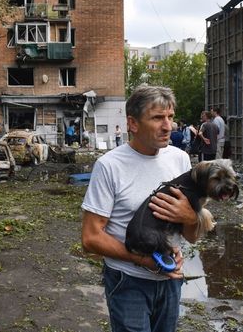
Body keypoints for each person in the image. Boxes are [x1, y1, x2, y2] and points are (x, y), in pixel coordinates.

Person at [81, 85, 199, 332]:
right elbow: (91, 238)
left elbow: (191, 236)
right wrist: (144, 261)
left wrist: (190, 217)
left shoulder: (180, 160)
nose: (168, 126)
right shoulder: (109, 166)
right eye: (157, 118)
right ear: (133, 124)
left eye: (170, 117)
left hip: (170, 280)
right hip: (128, 282)